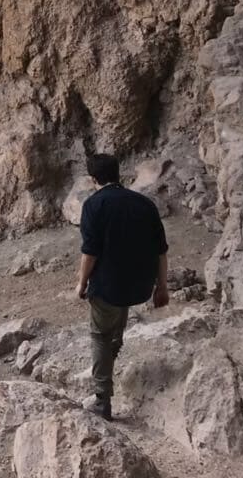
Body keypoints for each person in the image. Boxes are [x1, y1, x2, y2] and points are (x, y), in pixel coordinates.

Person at [75, 152, 169, 421]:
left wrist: (81, 282)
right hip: (139, 286)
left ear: (93, 179)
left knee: (99, 335)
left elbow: (90, 252)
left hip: (109, 287)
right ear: (118, 174)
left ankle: (102, 399)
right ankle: (111, 355)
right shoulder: (144, 203)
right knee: (115, 323)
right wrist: (162, 287)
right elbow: (161, 250)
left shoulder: (93, 205)